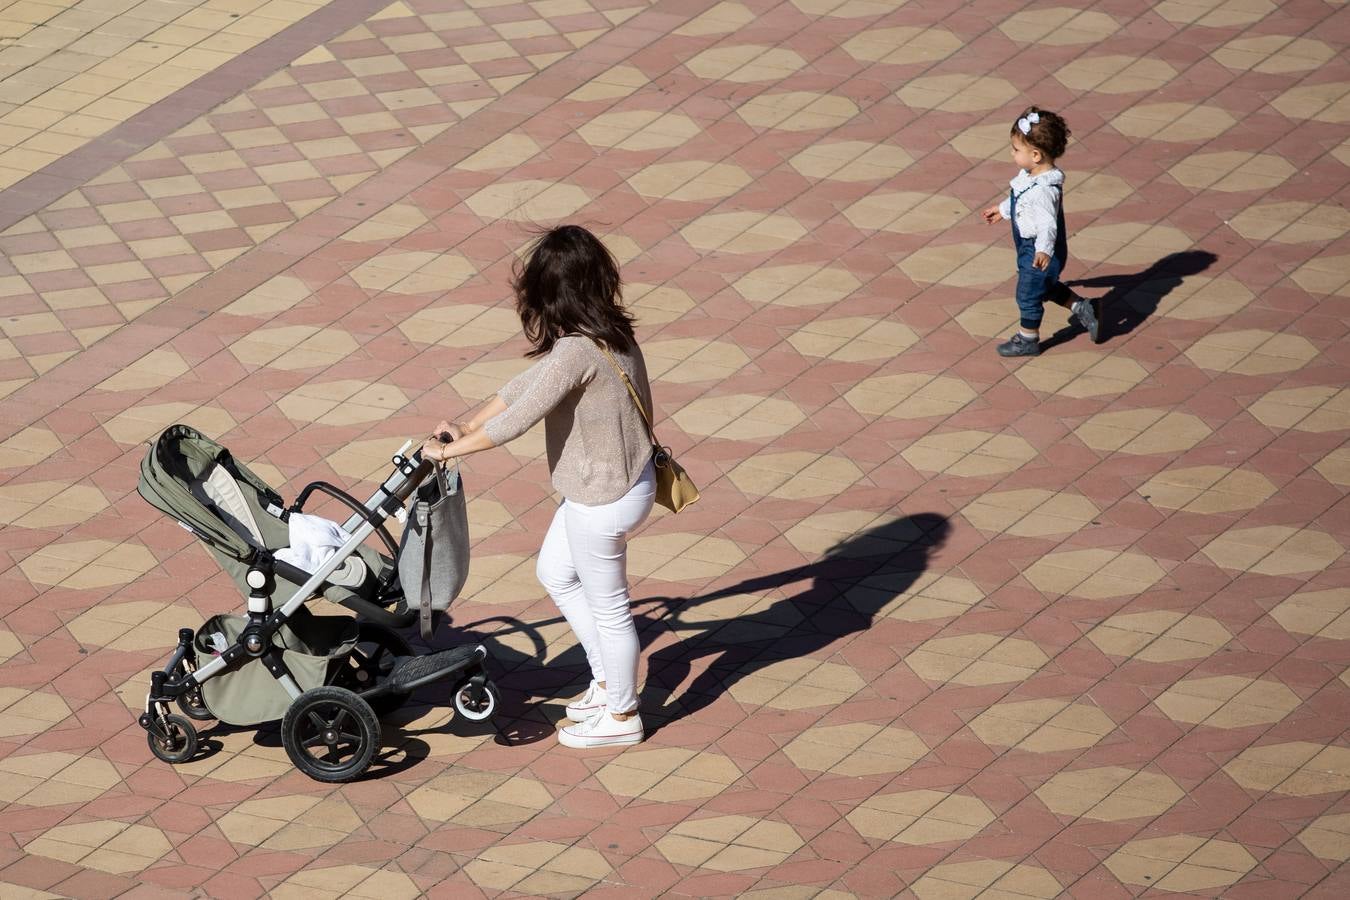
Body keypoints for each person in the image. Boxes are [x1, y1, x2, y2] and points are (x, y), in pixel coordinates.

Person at [422, 224, 657, 749]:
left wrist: (447, 451)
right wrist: (466, 422)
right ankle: (606, 685)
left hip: (603, 499)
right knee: (555, 572)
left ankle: (621, 716)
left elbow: (518, 420)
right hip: (615, 485)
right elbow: (525, 387)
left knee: (611, 608)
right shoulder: (607, 332)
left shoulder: (578, 350)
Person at [981, 105, 1099, 357]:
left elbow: (1048, 224)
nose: (1012, 153)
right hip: (1030, 247)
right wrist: (1003, 210)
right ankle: (1082, 307)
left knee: (1027, 293)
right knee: (1043, 287)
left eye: (1016, 149)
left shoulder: (1045, 190)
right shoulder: (1030, 176)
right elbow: (1020, 199)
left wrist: (1043, 250)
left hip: (1039, 249)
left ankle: (1028, 339)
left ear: (1035, 155)